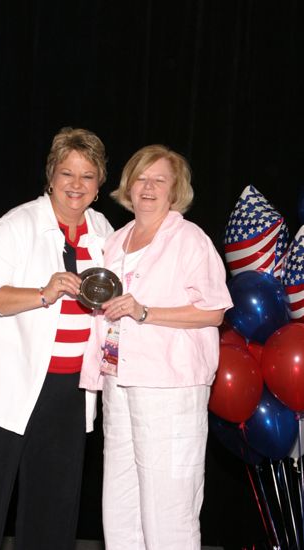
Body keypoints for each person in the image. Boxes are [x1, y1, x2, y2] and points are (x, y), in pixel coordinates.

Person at [0, 127, 113, 550]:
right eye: (67, 173)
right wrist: (43, 293)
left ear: (99, 185)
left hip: (69, 392)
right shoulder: (16, 224)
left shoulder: (104, 230)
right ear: (51, 176)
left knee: (52, 515)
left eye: (87, 175)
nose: (76, 184)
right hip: (2, 388)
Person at [80, 144, 233, 549]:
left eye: (159, 180)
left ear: (174, 190)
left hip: (170, 386)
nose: (147, 187)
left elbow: (214, 311)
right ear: (128, 186)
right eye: (141, 178)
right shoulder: (116, 241)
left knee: (168, 508)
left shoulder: (190, 240)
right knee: (120, 503)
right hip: (120, 379)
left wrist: (145, 312)